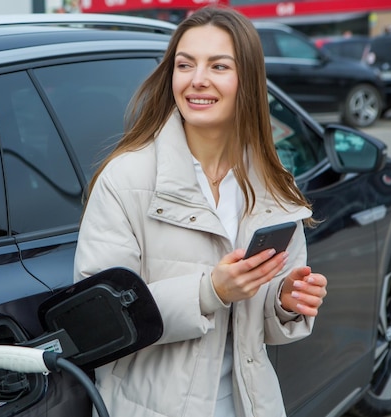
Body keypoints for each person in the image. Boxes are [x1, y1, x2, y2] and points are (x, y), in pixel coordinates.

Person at [73, 5, 328, 417]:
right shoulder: (126, 179)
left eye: (218, 66)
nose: (197, 80)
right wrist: (210, 291)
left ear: (247, 80)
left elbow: (258, 327)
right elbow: (97, 322)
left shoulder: (275, 183)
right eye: (185, 64)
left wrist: (284, 300)